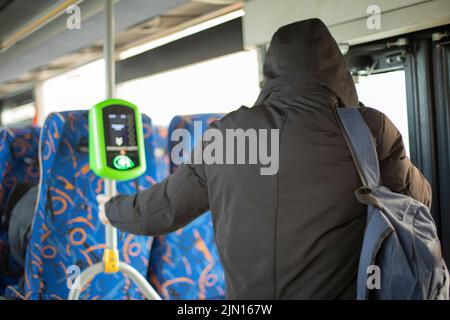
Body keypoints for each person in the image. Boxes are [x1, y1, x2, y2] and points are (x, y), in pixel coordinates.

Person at [102, 18, 431, 299]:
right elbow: (417, 203)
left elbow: (161, 212)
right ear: (338, 72)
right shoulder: (370, 128)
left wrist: (110, 209)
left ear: (271, 72)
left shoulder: (227, 134)